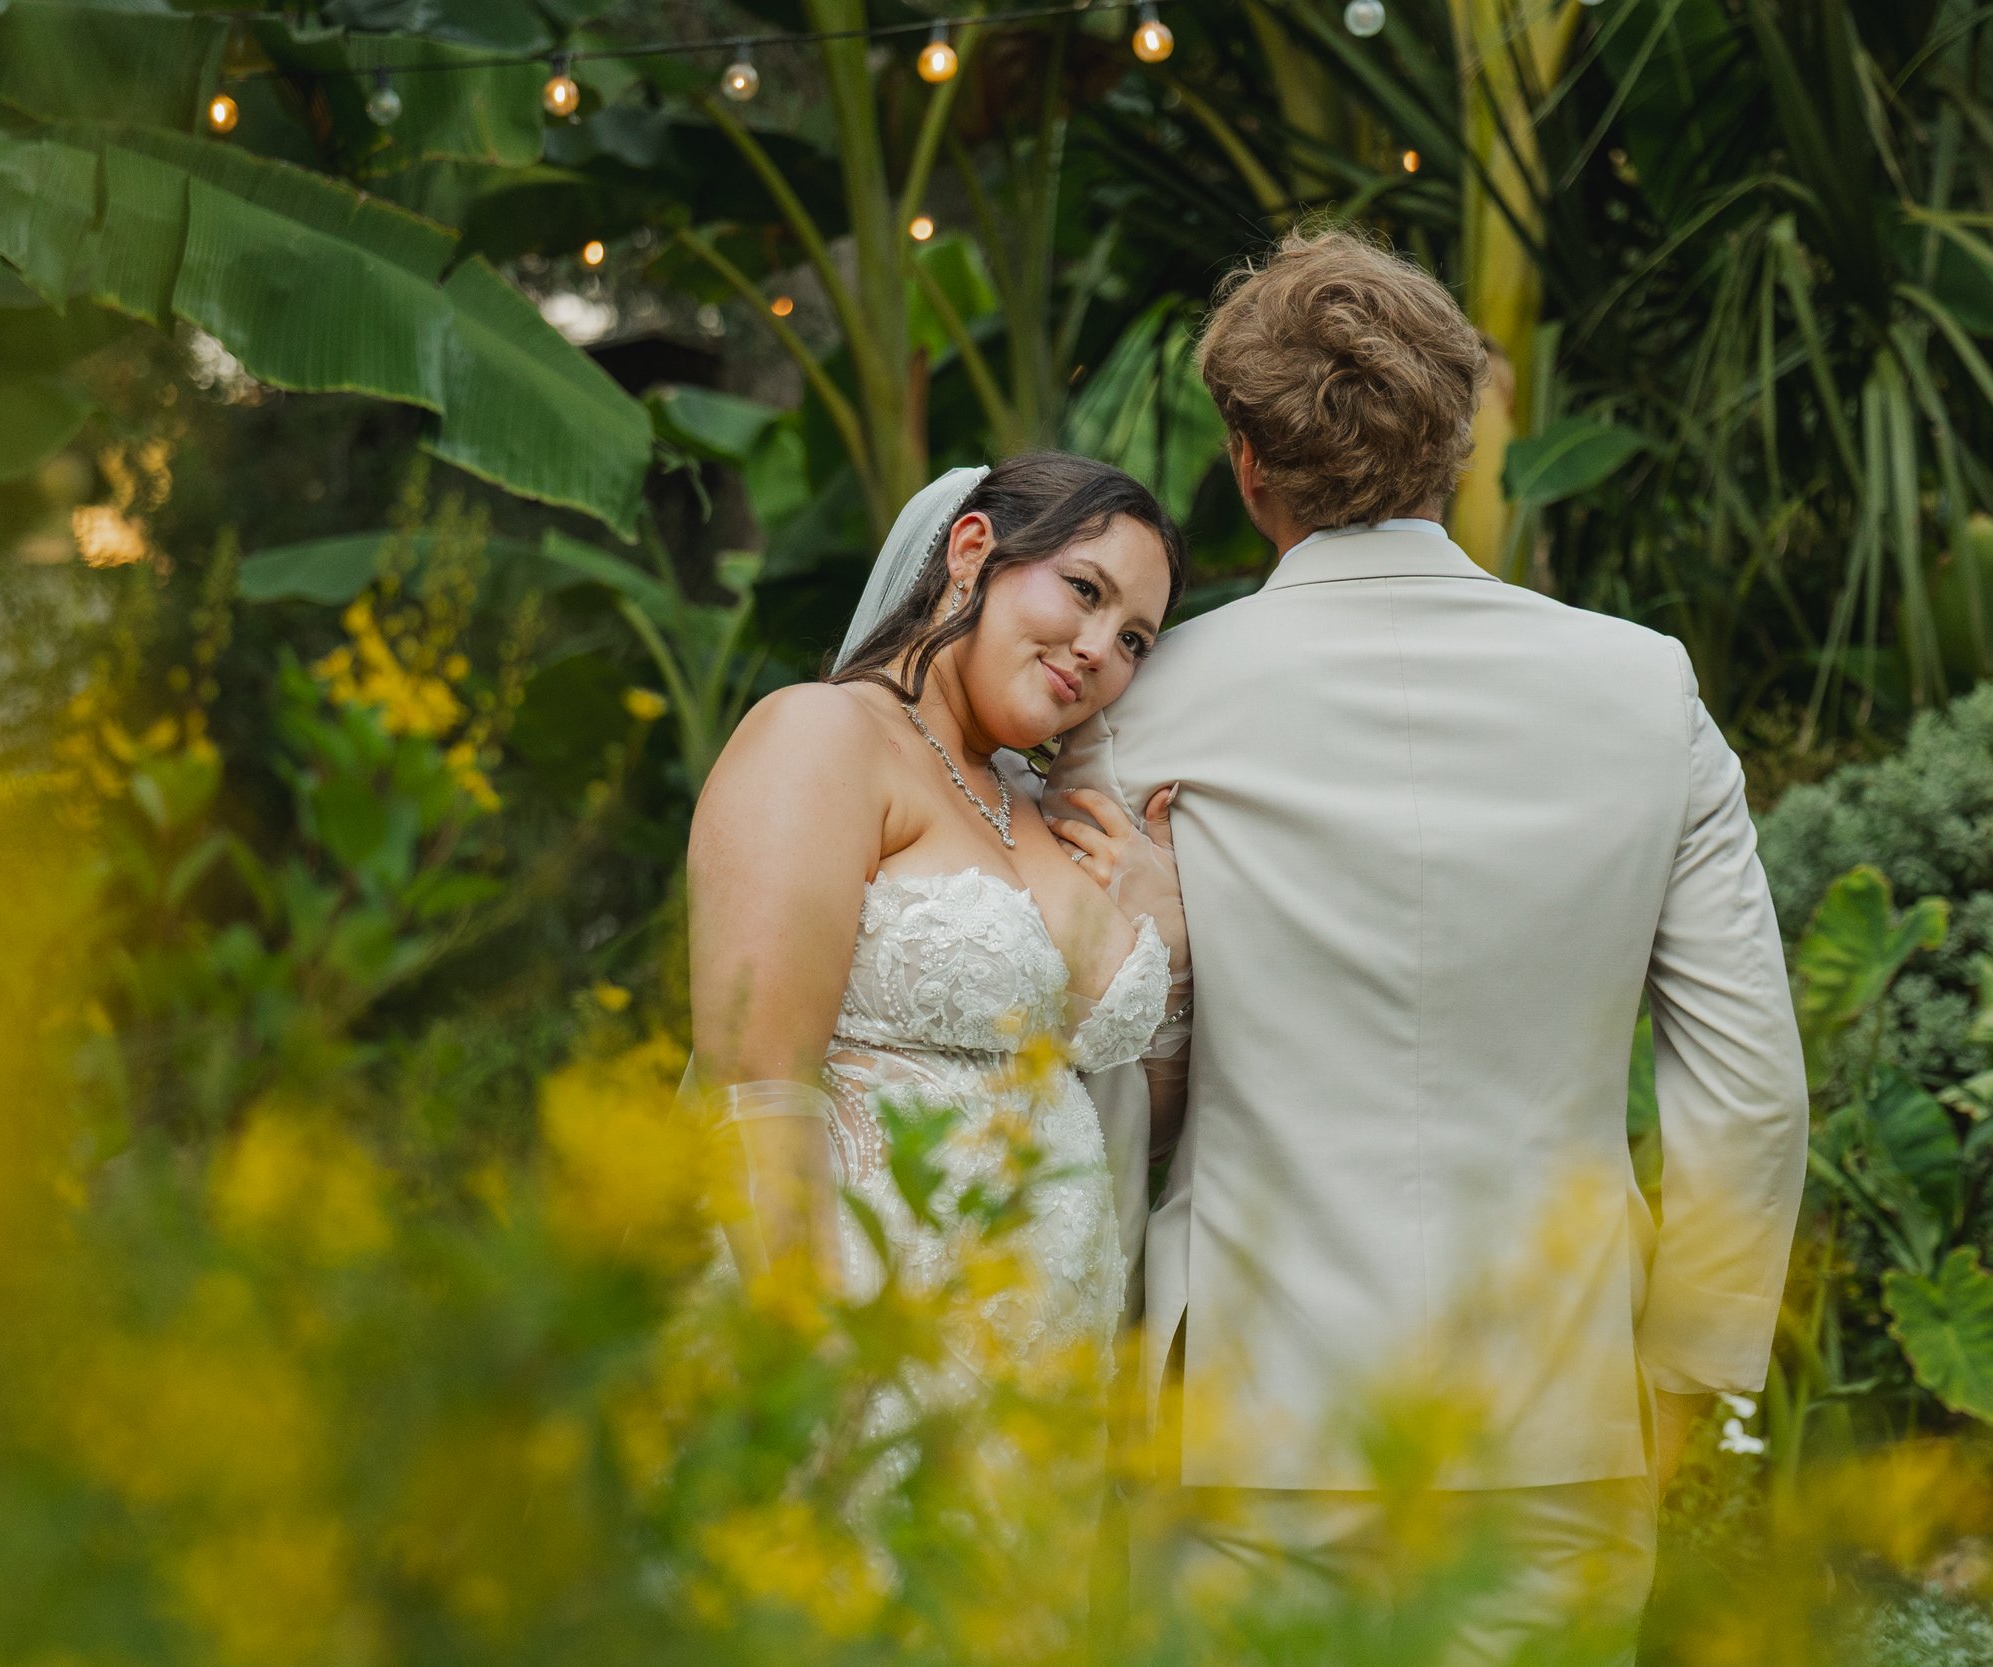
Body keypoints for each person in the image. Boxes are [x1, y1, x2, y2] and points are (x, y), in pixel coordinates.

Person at [1045, 230, 1810, 1660]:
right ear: (1457, 444)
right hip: (1558, 1422)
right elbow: (1752, 1088)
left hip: (1243, 1424)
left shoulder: (1144, 708)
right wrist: (1683, 1388)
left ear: (1247, 463)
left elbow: (1089, 1056)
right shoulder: (1647, 694)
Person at [684, 452, 1192, 1376]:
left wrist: (1167, 925)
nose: (1099, 648)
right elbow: (758, 1087)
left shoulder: (1038, 812)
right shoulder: (823, 736)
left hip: (1033, 1396)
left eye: (1134, 640)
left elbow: (1136, 1120)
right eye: (1084, 590)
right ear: (971, 550)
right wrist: (809, 1365)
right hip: (867, 1356)